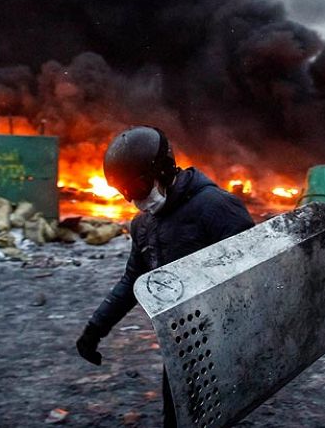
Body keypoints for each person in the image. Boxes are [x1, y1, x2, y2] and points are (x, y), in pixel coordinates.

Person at [75, 126, 255, 427]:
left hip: (224, 340)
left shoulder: (216, 207)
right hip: (182, 343)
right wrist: (95, 329)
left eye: (137, 187)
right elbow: (133, 282)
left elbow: (256, 275)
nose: (133, 199)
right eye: (124, 192)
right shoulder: (143, 225)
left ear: (164, 170)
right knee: (177, 415)